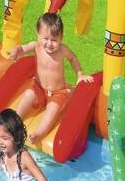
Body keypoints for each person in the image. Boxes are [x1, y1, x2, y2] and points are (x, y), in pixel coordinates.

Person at [8, 12, 93, 144]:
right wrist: (16, 51)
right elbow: (23, 49)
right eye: (46, 38)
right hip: (38, 87)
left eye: (54, 40)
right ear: (38, 34)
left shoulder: (62, 50)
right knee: (28, 94)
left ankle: (38, 133)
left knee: (52, 109)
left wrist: (80, 73)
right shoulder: (36, 45)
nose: (49, 43)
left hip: (58, 92)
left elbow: (72, 58)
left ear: (61, 37)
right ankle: (14, 120)